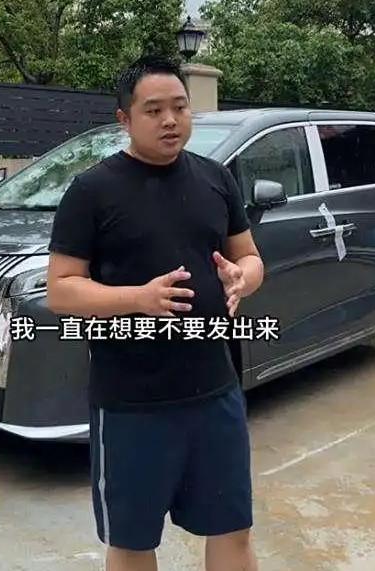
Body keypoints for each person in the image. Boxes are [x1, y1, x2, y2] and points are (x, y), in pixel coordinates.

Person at [47, 55, 264, 571]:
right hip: (132, 404)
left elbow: (250, 257)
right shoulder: (92, 191)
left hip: (215, 391)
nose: (170, 120)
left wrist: (243, 277)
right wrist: (137, 299)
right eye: (154, 110)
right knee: (132, 542)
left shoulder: (215, 179)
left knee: (233, 529)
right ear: (124, 118)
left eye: (180, 107)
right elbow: (61, 289)